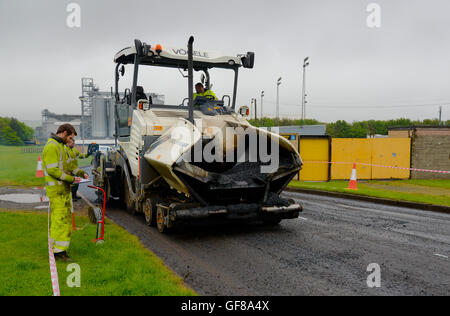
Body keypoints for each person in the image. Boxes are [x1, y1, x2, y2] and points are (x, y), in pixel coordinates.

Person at [42, 124, 88, 262]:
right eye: (70, 137)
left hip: (63, 190)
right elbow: (53, 170)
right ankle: (57, 252)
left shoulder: (61, 146)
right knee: (59, 220)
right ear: (64, 133)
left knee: (65, 220)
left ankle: (61, 249)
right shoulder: (52, 146)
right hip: (57, 191)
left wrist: (81, 173)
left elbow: (70, 166)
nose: (71, 140)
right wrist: (71, 179)